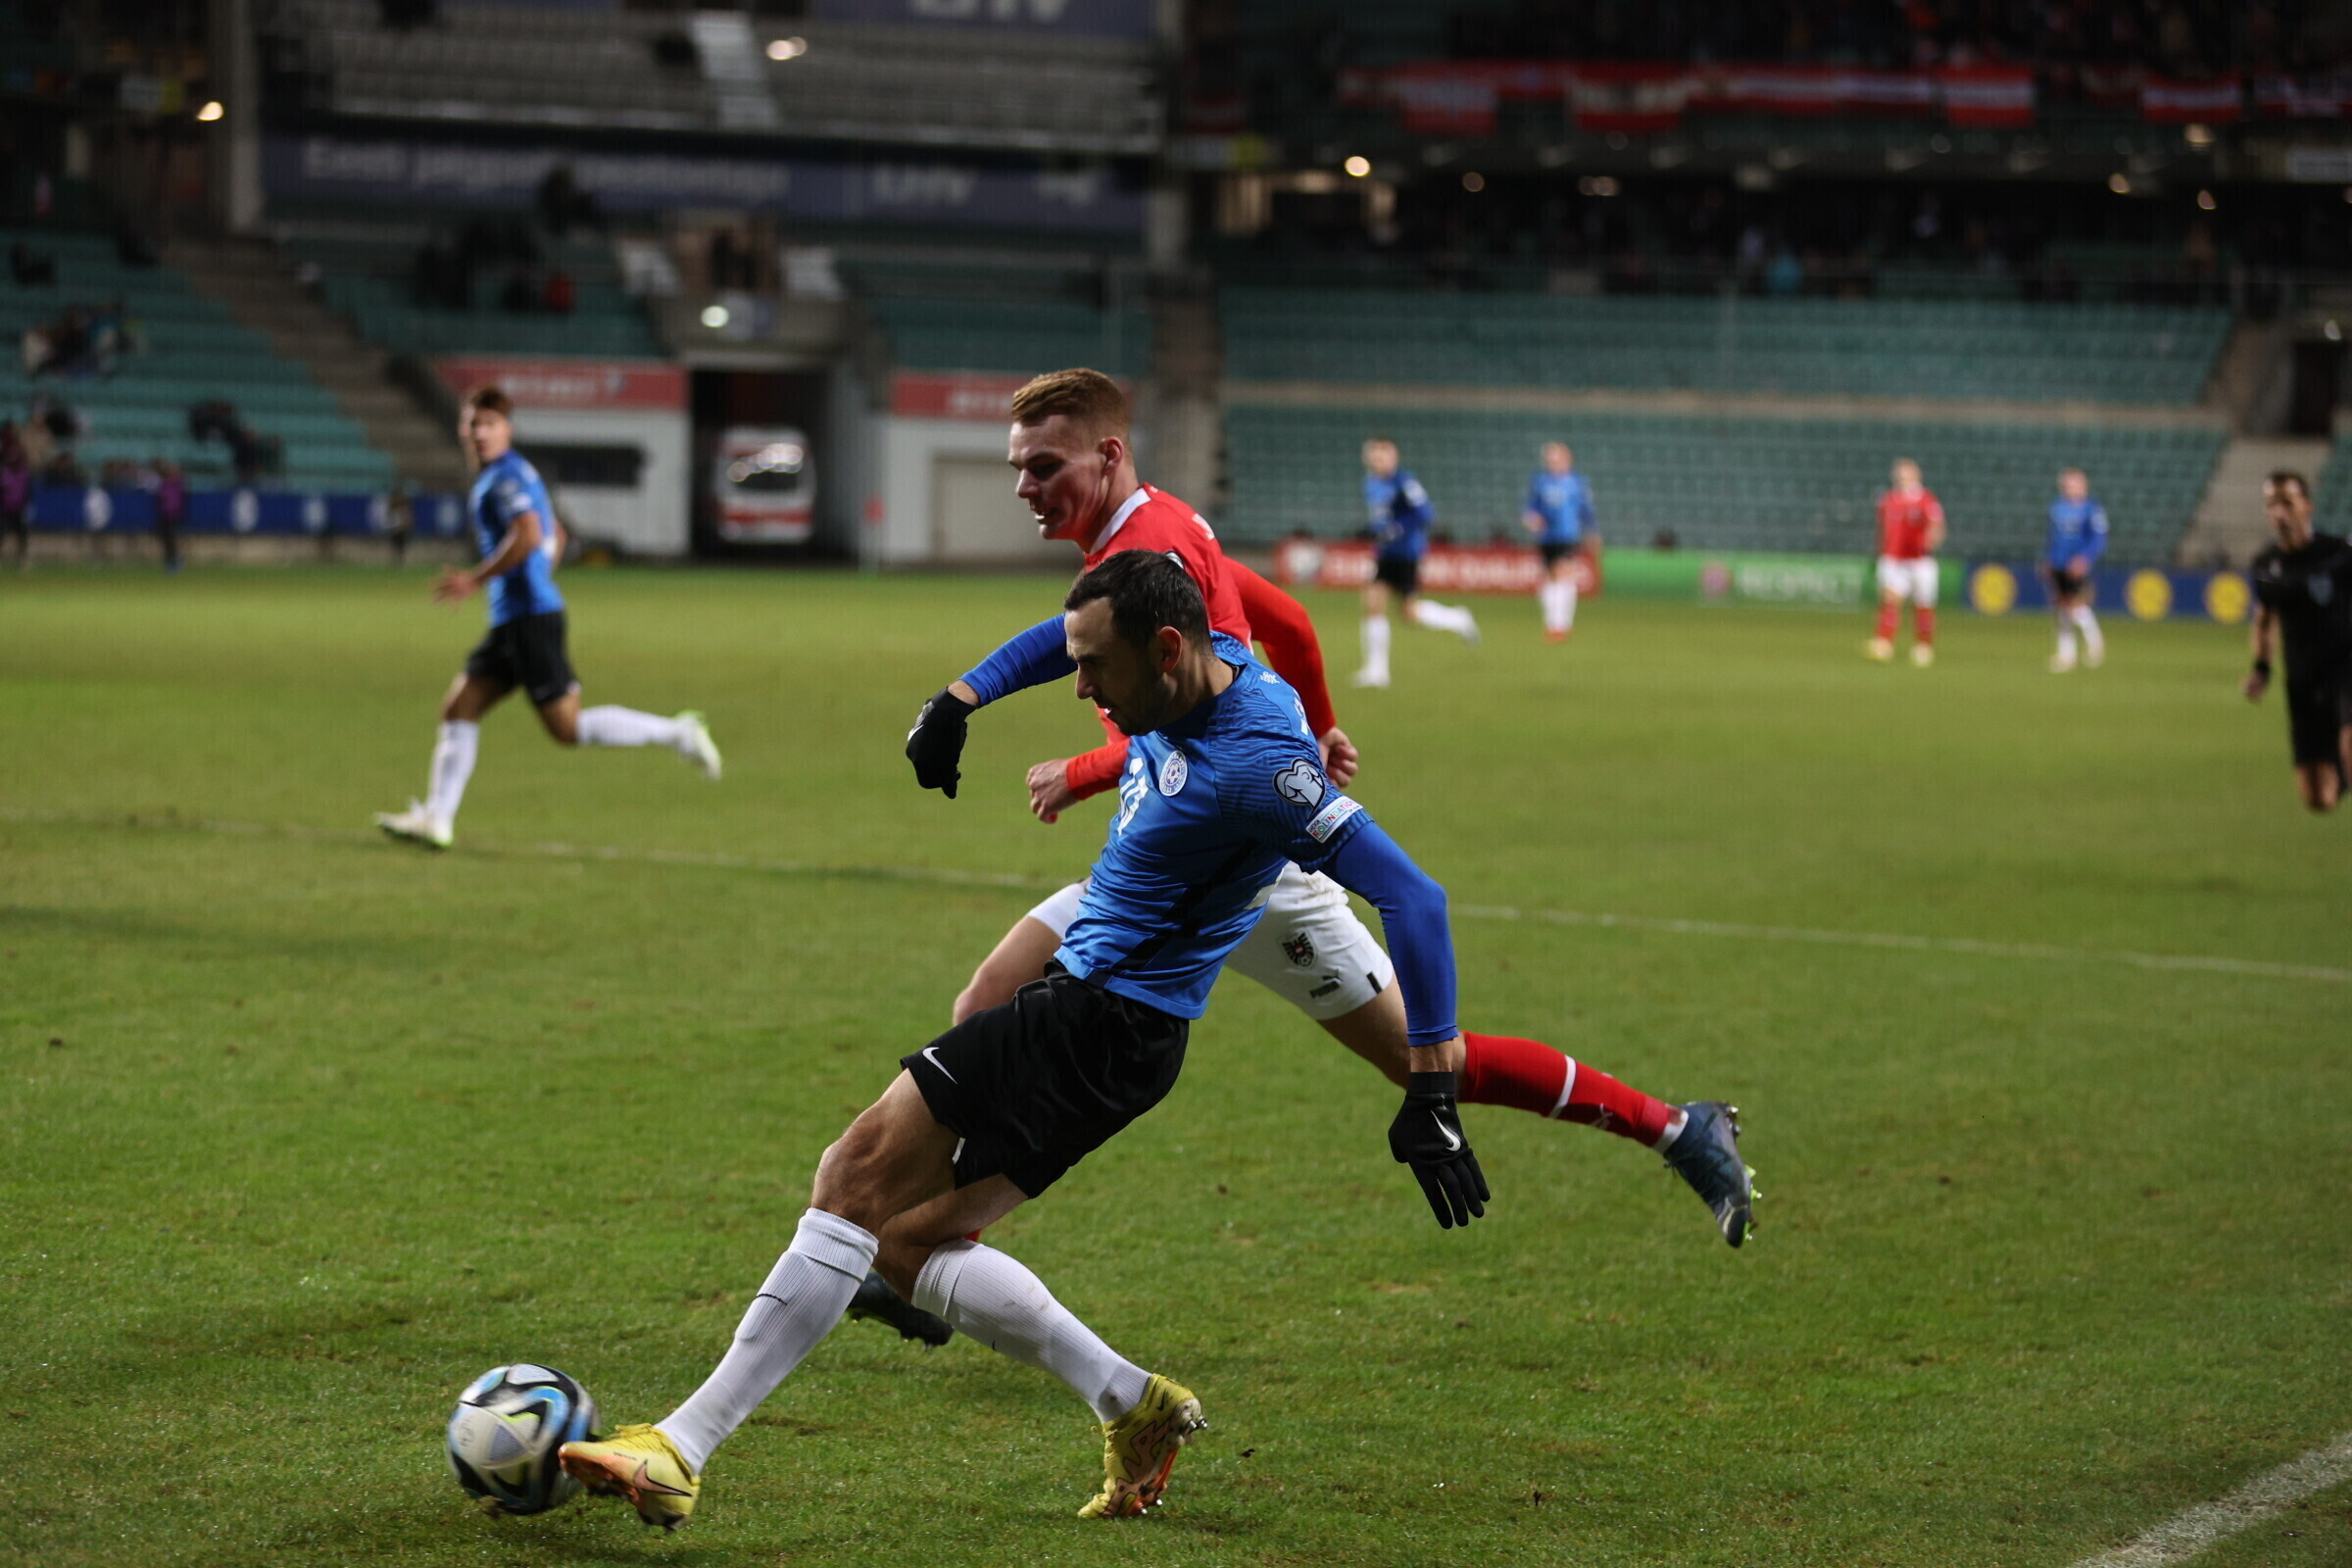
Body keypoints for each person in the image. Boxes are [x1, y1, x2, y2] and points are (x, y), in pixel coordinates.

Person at [560, 552, 1496, 1531]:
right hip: (1121, 1028)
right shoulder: (1207, 651)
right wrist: (963, 698)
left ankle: (680, 1447)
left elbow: (1415, 896)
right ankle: (1132, 1401)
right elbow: (1071, 634)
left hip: (1096, 1017)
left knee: (855, 1173)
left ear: (1165, 650)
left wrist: (1431, 1088)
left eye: (1097, 668)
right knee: (907, 1241)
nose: (1081, 687)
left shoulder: (1260, 766)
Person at [850, 369, 1752, 1344]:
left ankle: (1677, 1127)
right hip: (1165, 862)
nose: (1026, 486)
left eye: (1044, 466)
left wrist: (1090, 764)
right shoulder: (1159, 535)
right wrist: (1313, 730)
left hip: (1250, 871)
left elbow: (1204, 746)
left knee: (1431, 1062)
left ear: (1108, 455)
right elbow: (1285, 625)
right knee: (990, 1003)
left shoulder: (1154, 551)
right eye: (1019, 468)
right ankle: (932, 1260)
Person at [373, 386, 721, 851]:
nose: (480, 433)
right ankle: (437, 819)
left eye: (489, 424)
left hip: (529, 621)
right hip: (516, 618)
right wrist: (536, 573)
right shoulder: (515, 472)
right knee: (460, 709)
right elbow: (555, 531)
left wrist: (476, 580)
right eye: (473, 424)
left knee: (567, 728)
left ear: (507, 430)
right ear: (462, 429)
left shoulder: (503, 477)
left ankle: (678, 734)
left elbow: (529, 535)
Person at [2242, 470, 2352, 813]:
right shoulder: (2266, 566)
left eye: (2287, 503)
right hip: (2303, 679)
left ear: (2307, 506)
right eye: (2271, 504)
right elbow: (2264, 621)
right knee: (2319, 799)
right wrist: (2261, 669)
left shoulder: (2340, 554)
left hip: (2346, 668)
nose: (2279, 512)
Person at [1355, 438, 1478, 687]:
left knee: (1409, 613)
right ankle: (1377, 671)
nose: (1378, 460)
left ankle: (1458, 618)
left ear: (1394, 457)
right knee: (1373, 604)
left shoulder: (1405, 482)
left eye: (1383, 454)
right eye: (1374, 455)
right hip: (1386, 554)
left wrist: (1398, 528)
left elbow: (1425, 513)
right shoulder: (1371, 483)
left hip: (1406, 554)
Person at [1867, 457, 1944, 666]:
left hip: (1920, 561)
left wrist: (1932, 539)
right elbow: (1882, 529)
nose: (1901, 477)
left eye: (1906, 473)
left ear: (1916, 475)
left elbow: (1937, 525)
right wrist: (1880, 551)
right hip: (1894, 559)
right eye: (1899, 473)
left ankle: (1923, 646)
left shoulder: (1926, 500)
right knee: (1890, 600)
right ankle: (1884, 643)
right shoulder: (1888, 500)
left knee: (1923, 605)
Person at [1522, 441, 1597, 642]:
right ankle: (1551, 623)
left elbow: (1587, 510)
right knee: (1548, 579)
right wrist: (1531, 518)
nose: (1551, 462)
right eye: (1549, 459)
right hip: (1546, 537)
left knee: (1564, 574)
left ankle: (1562, 624)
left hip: (1568, 535)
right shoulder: (1540, 482)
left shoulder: (1577, 483)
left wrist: (1592, 532)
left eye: (1555, 458)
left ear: (1566, 459)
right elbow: (1531, 507)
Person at [2040, 467, 2107, 673]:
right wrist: (2048, 560)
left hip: (2076, 564)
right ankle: (2066, 654)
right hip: (2058, 563)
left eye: (2073, 484)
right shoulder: (2057, 508)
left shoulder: (2092, 510)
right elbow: (2053, 537)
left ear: (2083, 486)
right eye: (2066, 484)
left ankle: (2094, 642)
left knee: (2074, 605)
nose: (2069, 488)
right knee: (2060, 607)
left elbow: (2098, 538)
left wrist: (2085, 558)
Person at [0, 422, 28, 568]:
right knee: (2, 532)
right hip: (5, 508)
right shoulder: (4, 472)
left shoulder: (23, 474)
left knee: (22, 533)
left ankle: (22, 557)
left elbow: (27, 491)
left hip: (19, 508)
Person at [153, 458, 184, 574]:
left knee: (172, 539)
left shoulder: (177, 486)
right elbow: (162, 500)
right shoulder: (165, 485)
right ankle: (171, 560)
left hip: (174, 516)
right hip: (165, 516)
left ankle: (174, 560)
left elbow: (178, 502)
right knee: (166, 540)